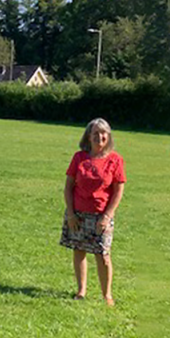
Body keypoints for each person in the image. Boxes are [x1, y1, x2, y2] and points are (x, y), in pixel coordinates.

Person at [60, 118, 126, 306]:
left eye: (103, 133)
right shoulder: (79, 158)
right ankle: (81, 291)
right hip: (78, 213)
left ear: (109, 136)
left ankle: (107, 295)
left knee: (103, 255)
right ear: (88, 136)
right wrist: (71, 214)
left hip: (101, 216)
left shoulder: (116, 160)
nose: (100, 137)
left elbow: (118, 191)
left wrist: (107, 216)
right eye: (95, 133)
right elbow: (68, 187)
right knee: (79, 250)